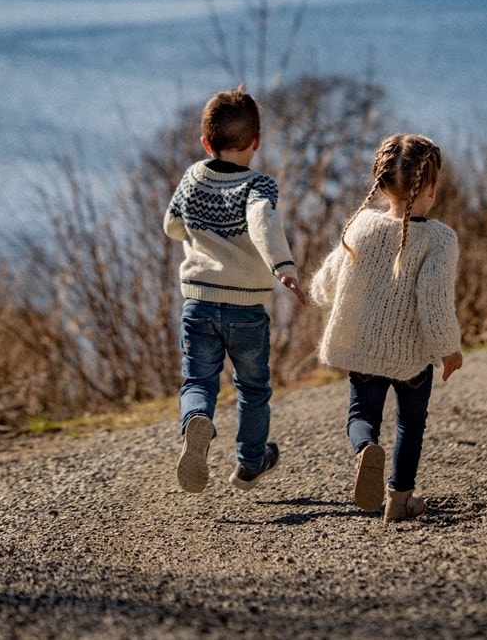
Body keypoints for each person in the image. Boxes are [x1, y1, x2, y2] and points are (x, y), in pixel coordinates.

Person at [310, 133, 463, 522]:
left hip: (363, 347)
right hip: (411, 356)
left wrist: (318, 291)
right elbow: (434, 304)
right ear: (431, 187)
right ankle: (399, 499)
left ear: (380, 184)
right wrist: (449, 349)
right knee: (411, 424)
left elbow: (329, 278)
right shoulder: (440, 240)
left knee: (361, 416)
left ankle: (365, 451)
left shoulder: (362, 225)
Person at [164, 87, 306, 494]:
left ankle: (196, 420)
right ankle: (250, 462)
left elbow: (171, 227)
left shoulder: (193, 176)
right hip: (246, 308)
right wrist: (284, 268)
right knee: (254, 388)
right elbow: (262, 222)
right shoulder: (259, 186)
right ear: (257, 142)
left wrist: (199, 228)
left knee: (198, 381)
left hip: (199, 303)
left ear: (206, 143)